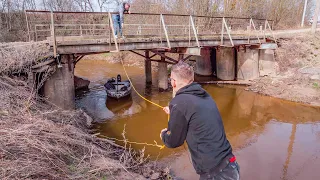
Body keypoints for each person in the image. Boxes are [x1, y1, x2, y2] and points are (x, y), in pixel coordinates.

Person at [160, 62, 240, 180]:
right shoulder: (204, 95)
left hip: (216, 173)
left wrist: (163, 135)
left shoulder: (179, 102)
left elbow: (173, 141)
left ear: (174, 82)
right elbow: (196, 115)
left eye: (170, 79)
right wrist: (175, 113)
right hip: (230, 164)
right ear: (191, 79)